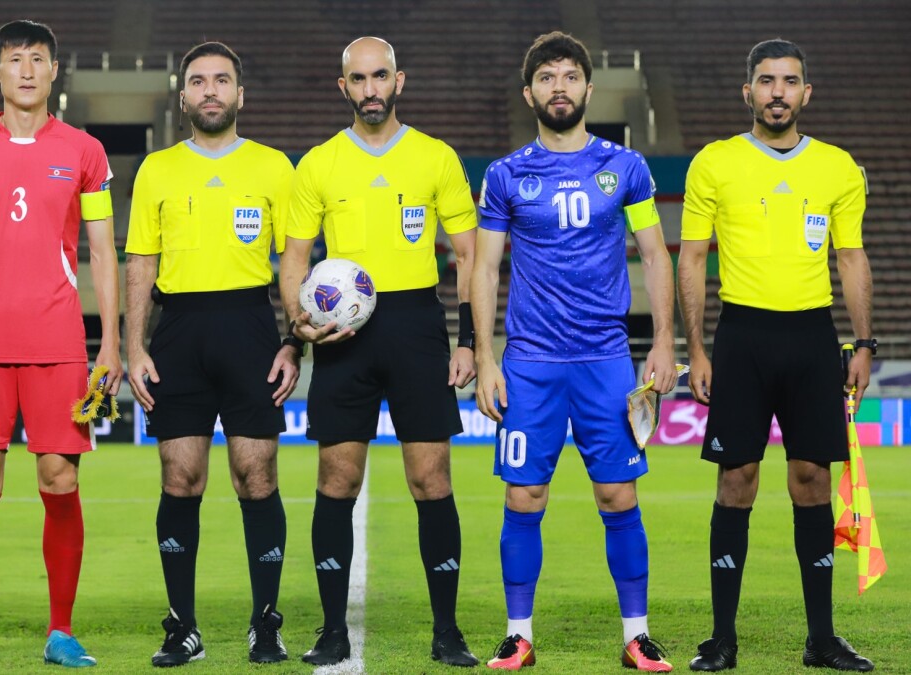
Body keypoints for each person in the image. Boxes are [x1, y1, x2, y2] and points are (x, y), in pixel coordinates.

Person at [472, 31, 677, 672]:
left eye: (568, 76)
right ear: (528, 92)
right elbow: (484, 269)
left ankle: (637, 635)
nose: (558, 87)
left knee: (618, 496)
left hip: (605, 361)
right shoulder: (505, 175)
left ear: (589, 87)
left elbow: (654, 254)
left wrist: (664, 340)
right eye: (546, 77)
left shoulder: (626, 167)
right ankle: (518, 635)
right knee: (523, 499)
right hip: (530, 364)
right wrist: (486, 358)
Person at [279, 36, 480, 668]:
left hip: (417, 324)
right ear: (343, 87)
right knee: (337, 480)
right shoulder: (318, 164)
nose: (371, 89)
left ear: (399, 81)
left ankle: (447, 631)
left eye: (380, 76)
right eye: (359, 79)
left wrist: (469, 340)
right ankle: (332, 631)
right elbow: (294, 260)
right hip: (344, 335)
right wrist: (298, 326)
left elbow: (470, 255)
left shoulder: (435, 157)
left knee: (431, 479)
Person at [0, 20, 120, 668]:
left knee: (59, 478)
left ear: (54, 70)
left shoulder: (86, 151)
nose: (27, 70)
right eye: (15, 60)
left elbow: (102, 251)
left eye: (38, 59)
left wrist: (110, 343)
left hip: (60, 343)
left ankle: (61, 630)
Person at [679, 39, 875, 673]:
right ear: (748, 92)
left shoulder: (838, 168)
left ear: (806, 93)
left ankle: (822, 639)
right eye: (766, 81)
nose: (778, 93)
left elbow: (851, 258)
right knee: (736, 480)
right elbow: (692, 258)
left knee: (812, 479)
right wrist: (696, 348)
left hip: (813, 338)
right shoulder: (714, 162)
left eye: (789, 81)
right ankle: (722, 639)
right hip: (742, 337)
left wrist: (864, 343)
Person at [124, 41, 300, 667]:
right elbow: (140, 261)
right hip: (179, 332)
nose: (210, 90)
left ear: (240, 94)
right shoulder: (157, 170)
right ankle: (183, 627)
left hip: (251, 326)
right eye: (198, 81)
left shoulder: (275, 168)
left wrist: (293, 338)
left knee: (258, 476)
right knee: (180, 477)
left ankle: (265, 623)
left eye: (221, 80)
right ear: (183, 97)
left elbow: (294, 263)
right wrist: (133, 345)